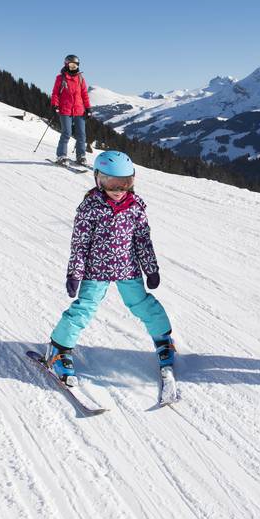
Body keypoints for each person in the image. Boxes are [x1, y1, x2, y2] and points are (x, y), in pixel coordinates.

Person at [46, 150, 173, 387]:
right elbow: (80, 244)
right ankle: (58, 348)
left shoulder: (135, 207)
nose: (118, 189)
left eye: (125, 183)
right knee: (84, 308)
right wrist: (75, 273)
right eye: (111, 182)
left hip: (128, 268)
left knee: (143, 304)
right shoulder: (89, 208)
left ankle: (164, 340)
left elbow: (143, 240)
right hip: (96, 270)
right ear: (98, 179)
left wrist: (151, 268)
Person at [50, 54, 91, 165]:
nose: (73, 67)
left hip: (79, 110)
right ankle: (61, 156)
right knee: (66, 133)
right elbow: (55, 93)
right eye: (71, 65)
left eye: (76, 65)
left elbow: (84, 95)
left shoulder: (81, 79)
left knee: (81, 135)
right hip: (65, 110)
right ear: (66, 65)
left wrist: (88, 108)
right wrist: (55, 104)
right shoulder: (60, 78)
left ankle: (81, 156)